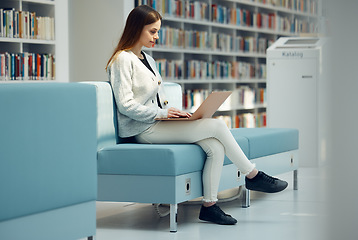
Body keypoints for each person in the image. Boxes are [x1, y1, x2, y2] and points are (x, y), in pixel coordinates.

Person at [106, 5, 288, 225]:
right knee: (217, 126)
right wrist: (162, 113)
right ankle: (253, 176)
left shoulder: (149, 59)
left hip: (157, 123)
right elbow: (125, 105)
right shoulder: (122, 60)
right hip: (142, 129)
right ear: (136, 29)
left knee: (215, 146)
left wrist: (176, 114)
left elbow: (154, 99)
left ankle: (209, 206)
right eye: (152, 31)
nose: (157, 36)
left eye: (158, 31)